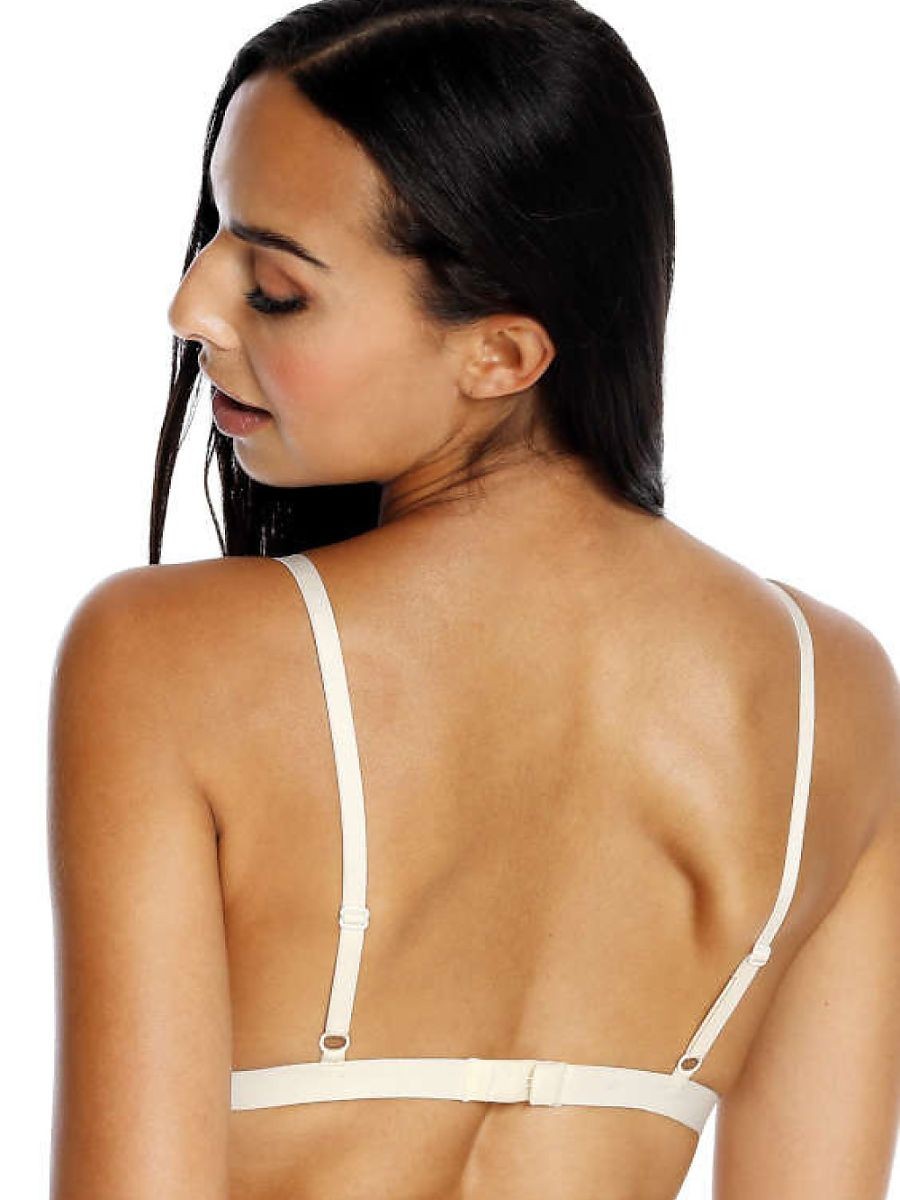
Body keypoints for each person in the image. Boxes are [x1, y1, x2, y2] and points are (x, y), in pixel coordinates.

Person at [47, 2, 900, 1197]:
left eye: (274, 287)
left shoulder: (165, 657)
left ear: (500, 355)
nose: (192, 307)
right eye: (213, 238)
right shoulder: (833, 694)